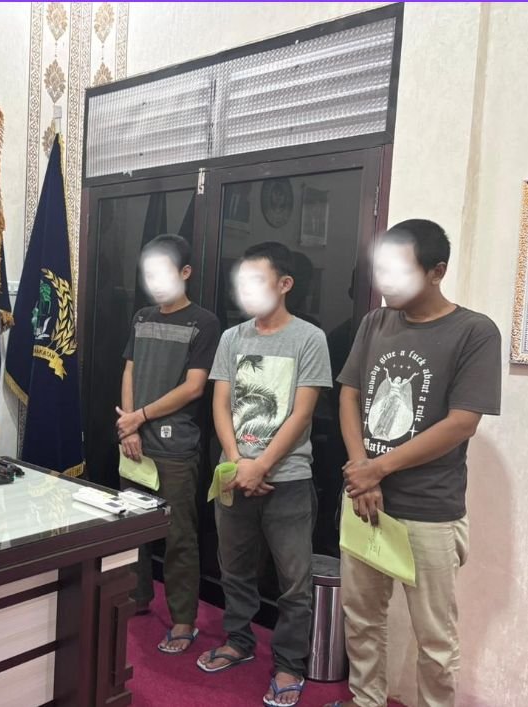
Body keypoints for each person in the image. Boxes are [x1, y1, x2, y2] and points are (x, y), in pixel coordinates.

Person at [326, 220, 501, 707]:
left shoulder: (474, 331)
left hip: (429, 509)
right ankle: (366, 700)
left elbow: (462, 423)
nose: (386, 283)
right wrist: (362, 470)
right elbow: (349, 394)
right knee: (361, 619)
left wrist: (379, 469)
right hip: (365, 500)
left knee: (435, 641)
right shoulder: (375, 322)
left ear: (437, 271)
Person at [198, 241, 331, 707]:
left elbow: (302, 412)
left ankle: (290, 663)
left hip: (287, 478)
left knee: (294, 581)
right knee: (234, 568)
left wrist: (262, 465)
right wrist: (238, 462)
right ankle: (238, 640)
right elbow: (220, 403)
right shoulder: (232, 338)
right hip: (233, 474)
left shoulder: (309, 338)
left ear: (284, 284)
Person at [117, 233, 221, 655]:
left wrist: (139, 417)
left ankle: (183, 621)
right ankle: (136, 597)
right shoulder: (141, 317)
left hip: (175, 447)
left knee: (178, 536)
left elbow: (194, 387)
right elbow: (129, 370)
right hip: (133, 442)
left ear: (185, 272)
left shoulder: (204, 323)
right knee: (131, 530)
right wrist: (128, 427)